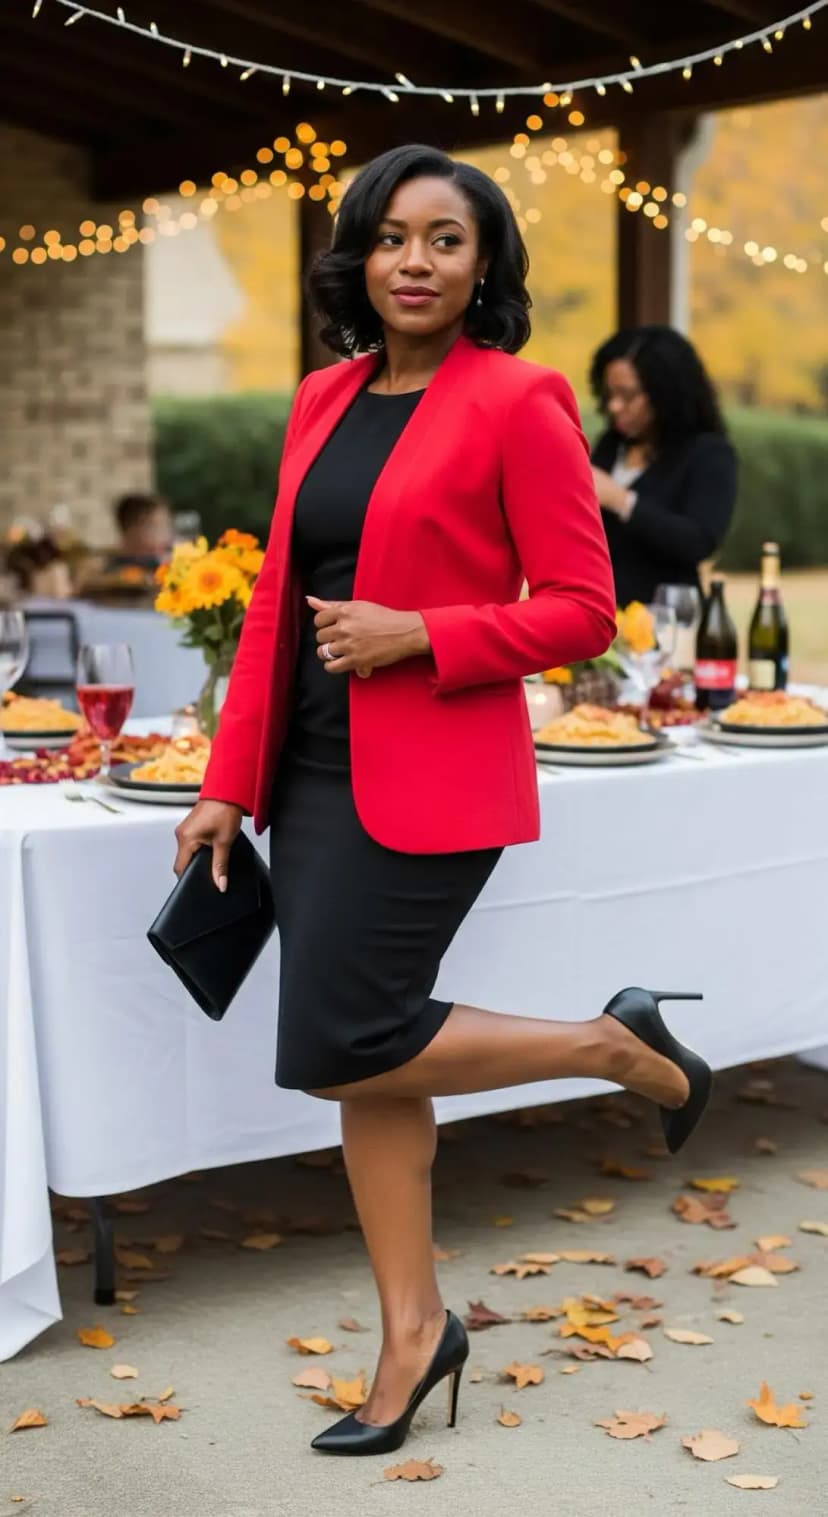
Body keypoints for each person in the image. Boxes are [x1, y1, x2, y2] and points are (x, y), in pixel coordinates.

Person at [173, 145, 712, 1458]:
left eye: (447, 240)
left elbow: (583, 609)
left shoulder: (519, 400)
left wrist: (422, 631)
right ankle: (415, 1331)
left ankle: (608, 1045)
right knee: (371, 1066)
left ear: (485, 266)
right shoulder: (319, 399)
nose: (415, 260)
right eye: (392, 237)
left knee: (342, 1040)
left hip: (428, 772)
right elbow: (270, 615)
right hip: (301, 771)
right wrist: (222, 784)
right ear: (357, 256)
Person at [589, 325, 738, 607]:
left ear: (666, 393)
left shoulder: (709, 453)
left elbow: (698, 540)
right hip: (606, 619)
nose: (615, 407)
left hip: (669, 622)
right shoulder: (610, 445)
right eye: (609, 394)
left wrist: (621, 501)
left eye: (628, 395)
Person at [106, 492, 173, 572]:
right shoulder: (118, 569)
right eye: (154, 528)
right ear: (129, 533)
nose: (164, 535)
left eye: (166, 527)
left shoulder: (163, 560)